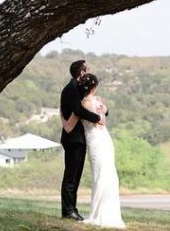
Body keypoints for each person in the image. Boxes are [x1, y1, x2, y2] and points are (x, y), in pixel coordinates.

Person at [62, 73, 125, 228]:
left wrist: (104, 111)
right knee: (104, 173)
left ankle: (101, 212)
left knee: (103, 173)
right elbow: (100, 122)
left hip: (97, 141)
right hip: (100, 140)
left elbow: (100, 117)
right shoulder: (89, 103)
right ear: (94, 87)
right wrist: (102, 113)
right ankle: (103, 213)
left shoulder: (86, 102)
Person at [59, 60, 106, 221]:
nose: (88, 72)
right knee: (71, 176)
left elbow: (89, 104)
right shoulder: (71, 89)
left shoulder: (78, 89)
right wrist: (97, 118)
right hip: (73, 139)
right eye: (87, 69)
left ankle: (71, 209)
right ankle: (68, 210)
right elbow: (79, 110)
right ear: (81, 72)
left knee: (76, 175)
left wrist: (101, 111)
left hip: (80, 138)